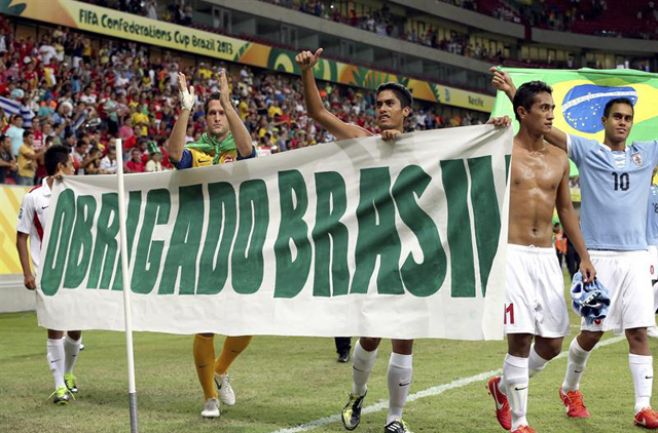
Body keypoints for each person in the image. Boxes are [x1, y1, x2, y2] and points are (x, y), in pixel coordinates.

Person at [296, 47, 490, 433]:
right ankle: (357, 393)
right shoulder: (364, 142)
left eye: (389, 103)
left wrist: (494, 129)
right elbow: (320, 114)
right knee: (370, 337)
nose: (382, 108)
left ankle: (395, 419)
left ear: (405, 111)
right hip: (372, 254)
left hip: (413, 256)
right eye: (378, 103)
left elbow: (475, 148)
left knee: (404, 339)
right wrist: (307, 73)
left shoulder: (429, 148)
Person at [493, 68, 658, 429]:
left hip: (637, 256)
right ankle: (567, 389)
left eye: (628, 118)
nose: (623, 123)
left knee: (639, 331)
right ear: (603, 120)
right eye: (616, 116)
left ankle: (643, 407)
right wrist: (512, 93)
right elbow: (540, 126)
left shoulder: (648, 153)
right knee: (591, 332)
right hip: (596, 255)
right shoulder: (583, 150)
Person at [485, 79, 595, 433]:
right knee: (520, 338)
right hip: (512, 253)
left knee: (550, 343)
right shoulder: (502, 149)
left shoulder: (559, 159)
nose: (550, 115)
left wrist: (585, 257)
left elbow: (566, 210)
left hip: (547, 256)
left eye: (552, 109)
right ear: (522, 112)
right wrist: (490, 131)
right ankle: (520, 422)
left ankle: (501, 388)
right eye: (543, 108)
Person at [166, 69, 256, 419]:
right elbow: (174, 154)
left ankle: (220, 371)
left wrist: (230, 102)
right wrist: (185, 108)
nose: (217, 118)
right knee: (205, 323)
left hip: (240, 247)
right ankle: (209, 398)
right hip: (204, 248)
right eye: (213, 113)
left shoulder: (242, 146)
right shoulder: (198, 152)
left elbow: (248, 151)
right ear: (205, 120)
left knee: (247, 324)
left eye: (221, 112)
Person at [16, 145, 82, 404]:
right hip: (47, 273)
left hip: (75, 271)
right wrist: (27, 273)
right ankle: (59, 387)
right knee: (55, 328)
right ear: (60, 167)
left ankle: (68, 373)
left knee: (76, 328)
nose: (75, 167)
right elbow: (21, 238)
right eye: (71, 163)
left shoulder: (77, 193)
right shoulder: (34, 197)